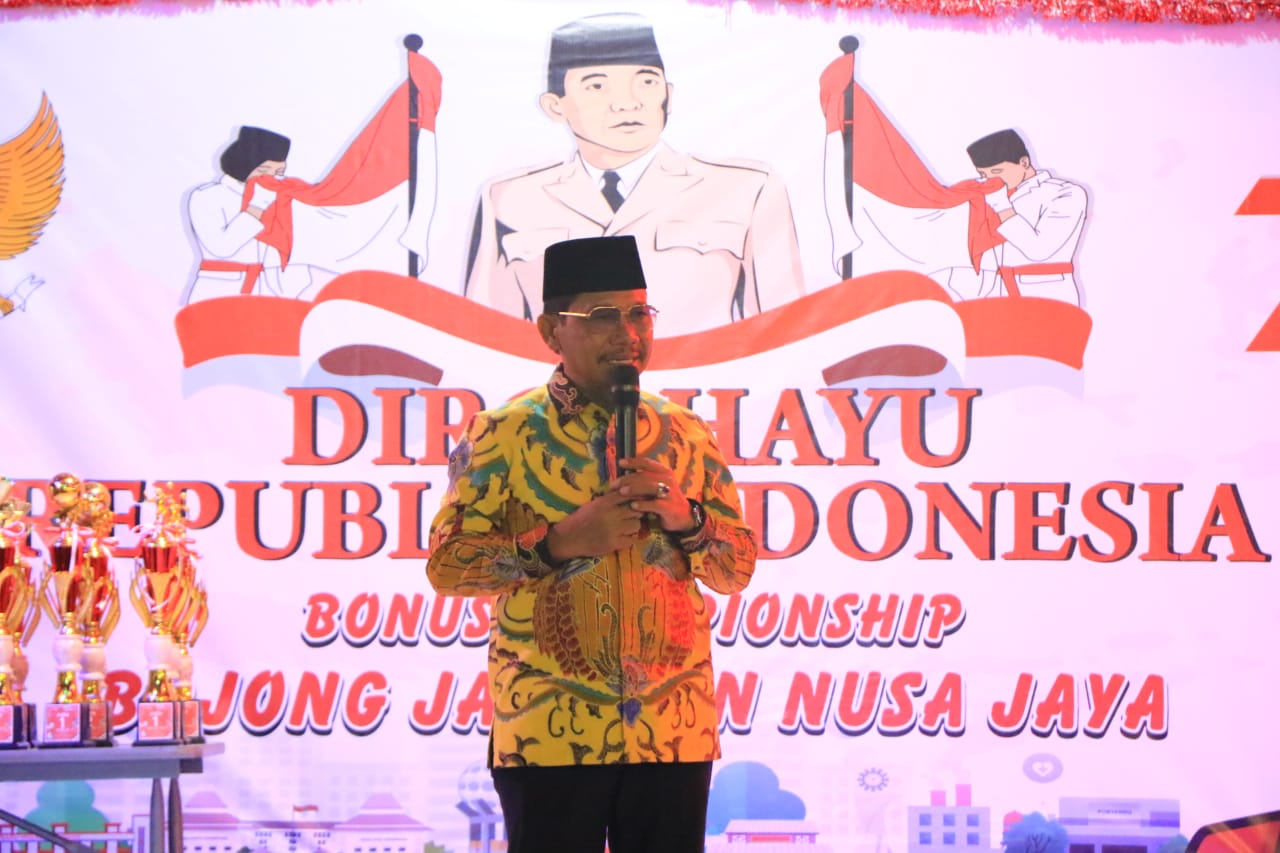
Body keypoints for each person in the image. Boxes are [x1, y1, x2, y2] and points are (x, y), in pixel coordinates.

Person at [427, 235, 758, 853]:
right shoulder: (502, 433)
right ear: (552, 331)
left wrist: (686, 519)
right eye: (603, 315)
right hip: (548, 734)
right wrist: (557, 544)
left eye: (639, 313)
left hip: (673, 731)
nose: (628, 334)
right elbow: (448, 567)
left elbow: (736, 569)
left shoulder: (686, 433)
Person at [464, 13, 805, 335]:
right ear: (555, 106)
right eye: (596, 86)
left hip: (704, 378)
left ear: (668, 95)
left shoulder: (746, 189)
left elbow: (785, 331)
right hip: (565, 381)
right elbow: (487, 338)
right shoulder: (509, 198)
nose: (627, 103)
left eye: (646, 81)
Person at [183, 126, 313, 303]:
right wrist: (256, 206)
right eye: (263, 170)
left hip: (266, 292)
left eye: (278, 173)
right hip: (219, 289)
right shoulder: (207, 195)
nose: (270, 178)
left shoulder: (279, 200)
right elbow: (222, 248)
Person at [968, 128, 1088, 305]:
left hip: (1047, 293)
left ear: (1023, 162)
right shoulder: (990, 198)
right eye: (984, 175)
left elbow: (1040, 249)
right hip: (998, 294)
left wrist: (1002, 207)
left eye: (997, 172)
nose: (991, 181)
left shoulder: (1066, 193)